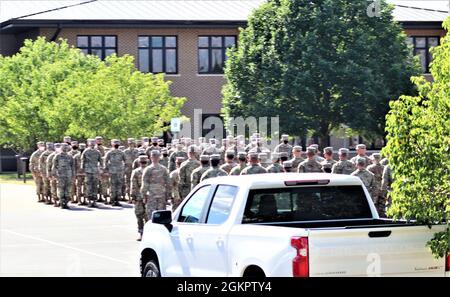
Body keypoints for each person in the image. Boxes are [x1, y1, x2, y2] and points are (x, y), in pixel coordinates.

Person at [141, 150, 171, 220]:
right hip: (161, 194)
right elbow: (168, 183)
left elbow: (145, 183)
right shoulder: (164, 169)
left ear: (151, 158)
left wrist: (143, 196)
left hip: (151, 194)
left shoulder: (148, 169)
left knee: (151, 214)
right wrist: (168, 195)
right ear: (159, 157)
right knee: (161, 214)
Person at [131, 155, 149, 241]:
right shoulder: (137, 171)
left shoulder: (149, 171)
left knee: (144, 216)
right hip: (143, 196)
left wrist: (132, 196)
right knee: (140, 215)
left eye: (144, 162)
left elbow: (133, 186)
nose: (143, 164)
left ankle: (144, 233)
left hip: (144, 197)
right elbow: (133, 185)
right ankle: (142, 233)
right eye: (142, 162)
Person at [52, 144, 75, 209]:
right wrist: (54, 174)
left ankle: (66, 202)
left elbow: (73, 166)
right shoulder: (57, 156)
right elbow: (54, 166)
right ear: (61, 148)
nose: (65, 148)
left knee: (68, 189)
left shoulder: (70, 156)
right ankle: (62, 202)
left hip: (68, 175)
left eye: (66, 147)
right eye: (64, 147)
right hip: (60, 175)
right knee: (61, 189)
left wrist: (73, 175)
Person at [81, 139, 102, 208]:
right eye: (91, 143)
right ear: (89, 144)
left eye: (93, 143)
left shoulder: (97, 152)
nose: (92, 144)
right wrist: (83, 170)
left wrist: (101, 169)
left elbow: (101, 161)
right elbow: (82, 161)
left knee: (94, 186)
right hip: (88, 171)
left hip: (95, 171)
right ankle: (90, 201)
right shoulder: (86, 151)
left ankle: (94, 201)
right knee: (89, 186)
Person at [104, 139, 126, 206]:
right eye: (115, 143)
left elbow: (126, 161)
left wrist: (123, 168)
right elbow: (105, 161)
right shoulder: (109, 152)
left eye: (117, 143)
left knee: (119, 185)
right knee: (112, 185)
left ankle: (117, 200)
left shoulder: (122, 152)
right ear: (112, 144)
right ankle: (112, 199)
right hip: (112, 171)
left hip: (119, 171)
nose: (116, 144)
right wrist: (107, 169)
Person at [367, 153, 386, 217]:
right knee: (382, 204)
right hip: (382, 187)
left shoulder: (370, 168)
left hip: (374, 189)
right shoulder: (384, 167)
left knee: (374, 204)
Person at [124, 138, 139, 202]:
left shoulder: (137, 151)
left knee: (136, 183)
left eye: (132, 143)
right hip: (128, 169)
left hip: (136, 169)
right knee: (128, 183)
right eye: (130, 143)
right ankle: (129, 197)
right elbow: (123, 161)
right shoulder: (125, 151)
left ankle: (136, 197)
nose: (131, 144)